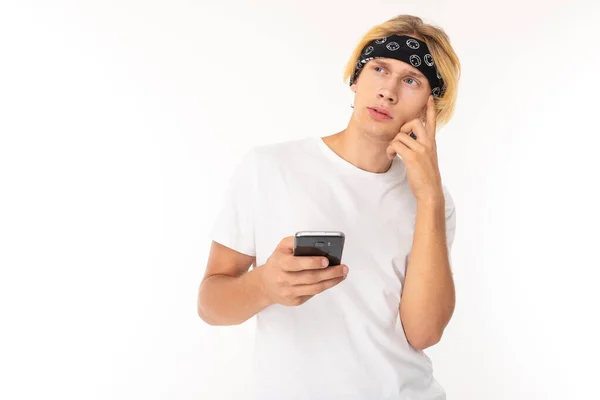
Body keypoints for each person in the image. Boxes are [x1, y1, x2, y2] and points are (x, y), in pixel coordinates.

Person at [198, 14, 461, 400]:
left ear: (430, 107)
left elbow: (424, 332)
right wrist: (264, 285)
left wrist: (430, 198)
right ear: (356, 77)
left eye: (410, 80)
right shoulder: (270, 168)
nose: (387, 91)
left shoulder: (433, 201)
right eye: (379, 69)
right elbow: (210, 305)